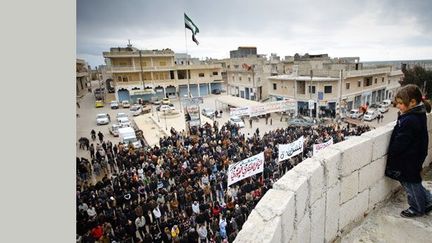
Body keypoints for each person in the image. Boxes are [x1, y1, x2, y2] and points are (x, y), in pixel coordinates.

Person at [385, 84, 432, 218]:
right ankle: (428, 201)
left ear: (412, 102)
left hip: (408, 159)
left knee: (410, 184)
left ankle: (417, 208)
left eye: (400, 103)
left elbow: (402, 141)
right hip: (414, 157)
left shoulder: (410, 119)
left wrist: (393, 151)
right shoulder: (417, 114)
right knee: (415, 182)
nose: (398, 106)